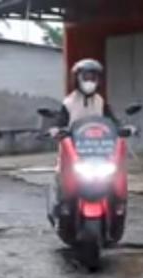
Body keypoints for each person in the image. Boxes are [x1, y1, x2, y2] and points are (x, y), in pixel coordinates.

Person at [49, 59, 119, 219]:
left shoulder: (100, 101)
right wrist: (55, 129)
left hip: (99, 149)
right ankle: (59, 209)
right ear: (77, 79)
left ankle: (117, 211)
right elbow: (60, 121)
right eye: (86, 77)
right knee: (61, 178)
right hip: (74, 150)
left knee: (114, 179)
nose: (89, 81)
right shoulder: (69, 102)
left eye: (93, 77)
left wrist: (124, 128)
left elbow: (112, 120)